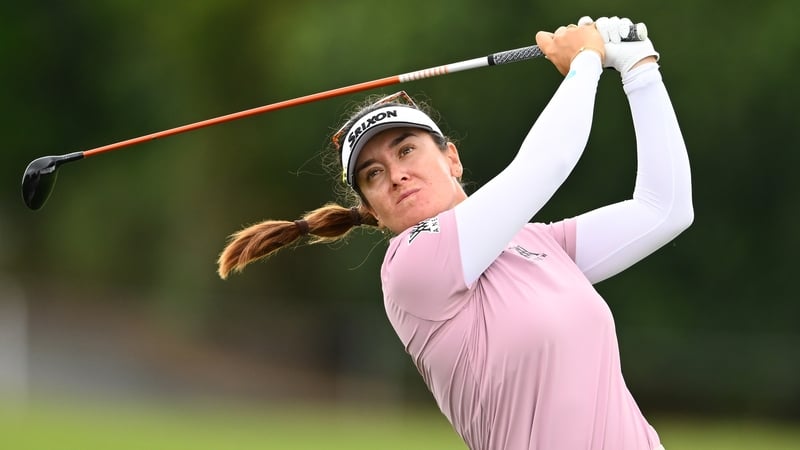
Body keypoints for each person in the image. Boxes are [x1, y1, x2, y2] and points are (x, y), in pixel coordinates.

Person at [217, 15, 692, 450]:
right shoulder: (411, 266)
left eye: (406, 151)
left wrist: (640, 69)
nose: (395, 175)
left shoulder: (538, 244)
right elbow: (546, 163)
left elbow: (665, 209)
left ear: (452, 159)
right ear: (374, 212)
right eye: (373, 175)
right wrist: (585, 61)